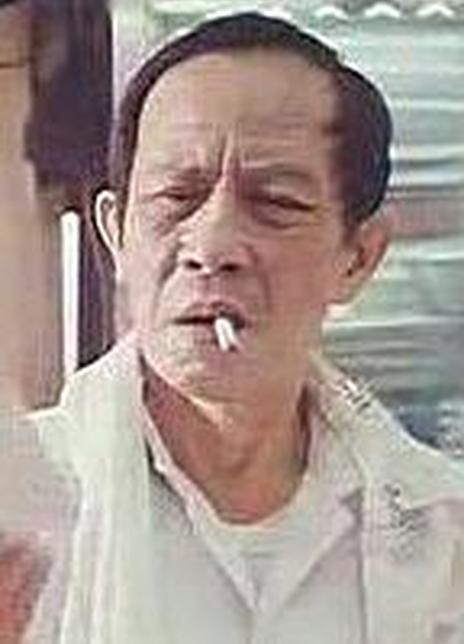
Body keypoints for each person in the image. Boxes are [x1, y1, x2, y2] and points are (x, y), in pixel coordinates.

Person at [1, 11, 463, 644]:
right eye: (176, 198)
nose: (214, 245)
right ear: (116, 235)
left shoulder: (439, 538)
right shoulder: (24, 513)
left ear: (357, 258)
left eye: (275, 203)